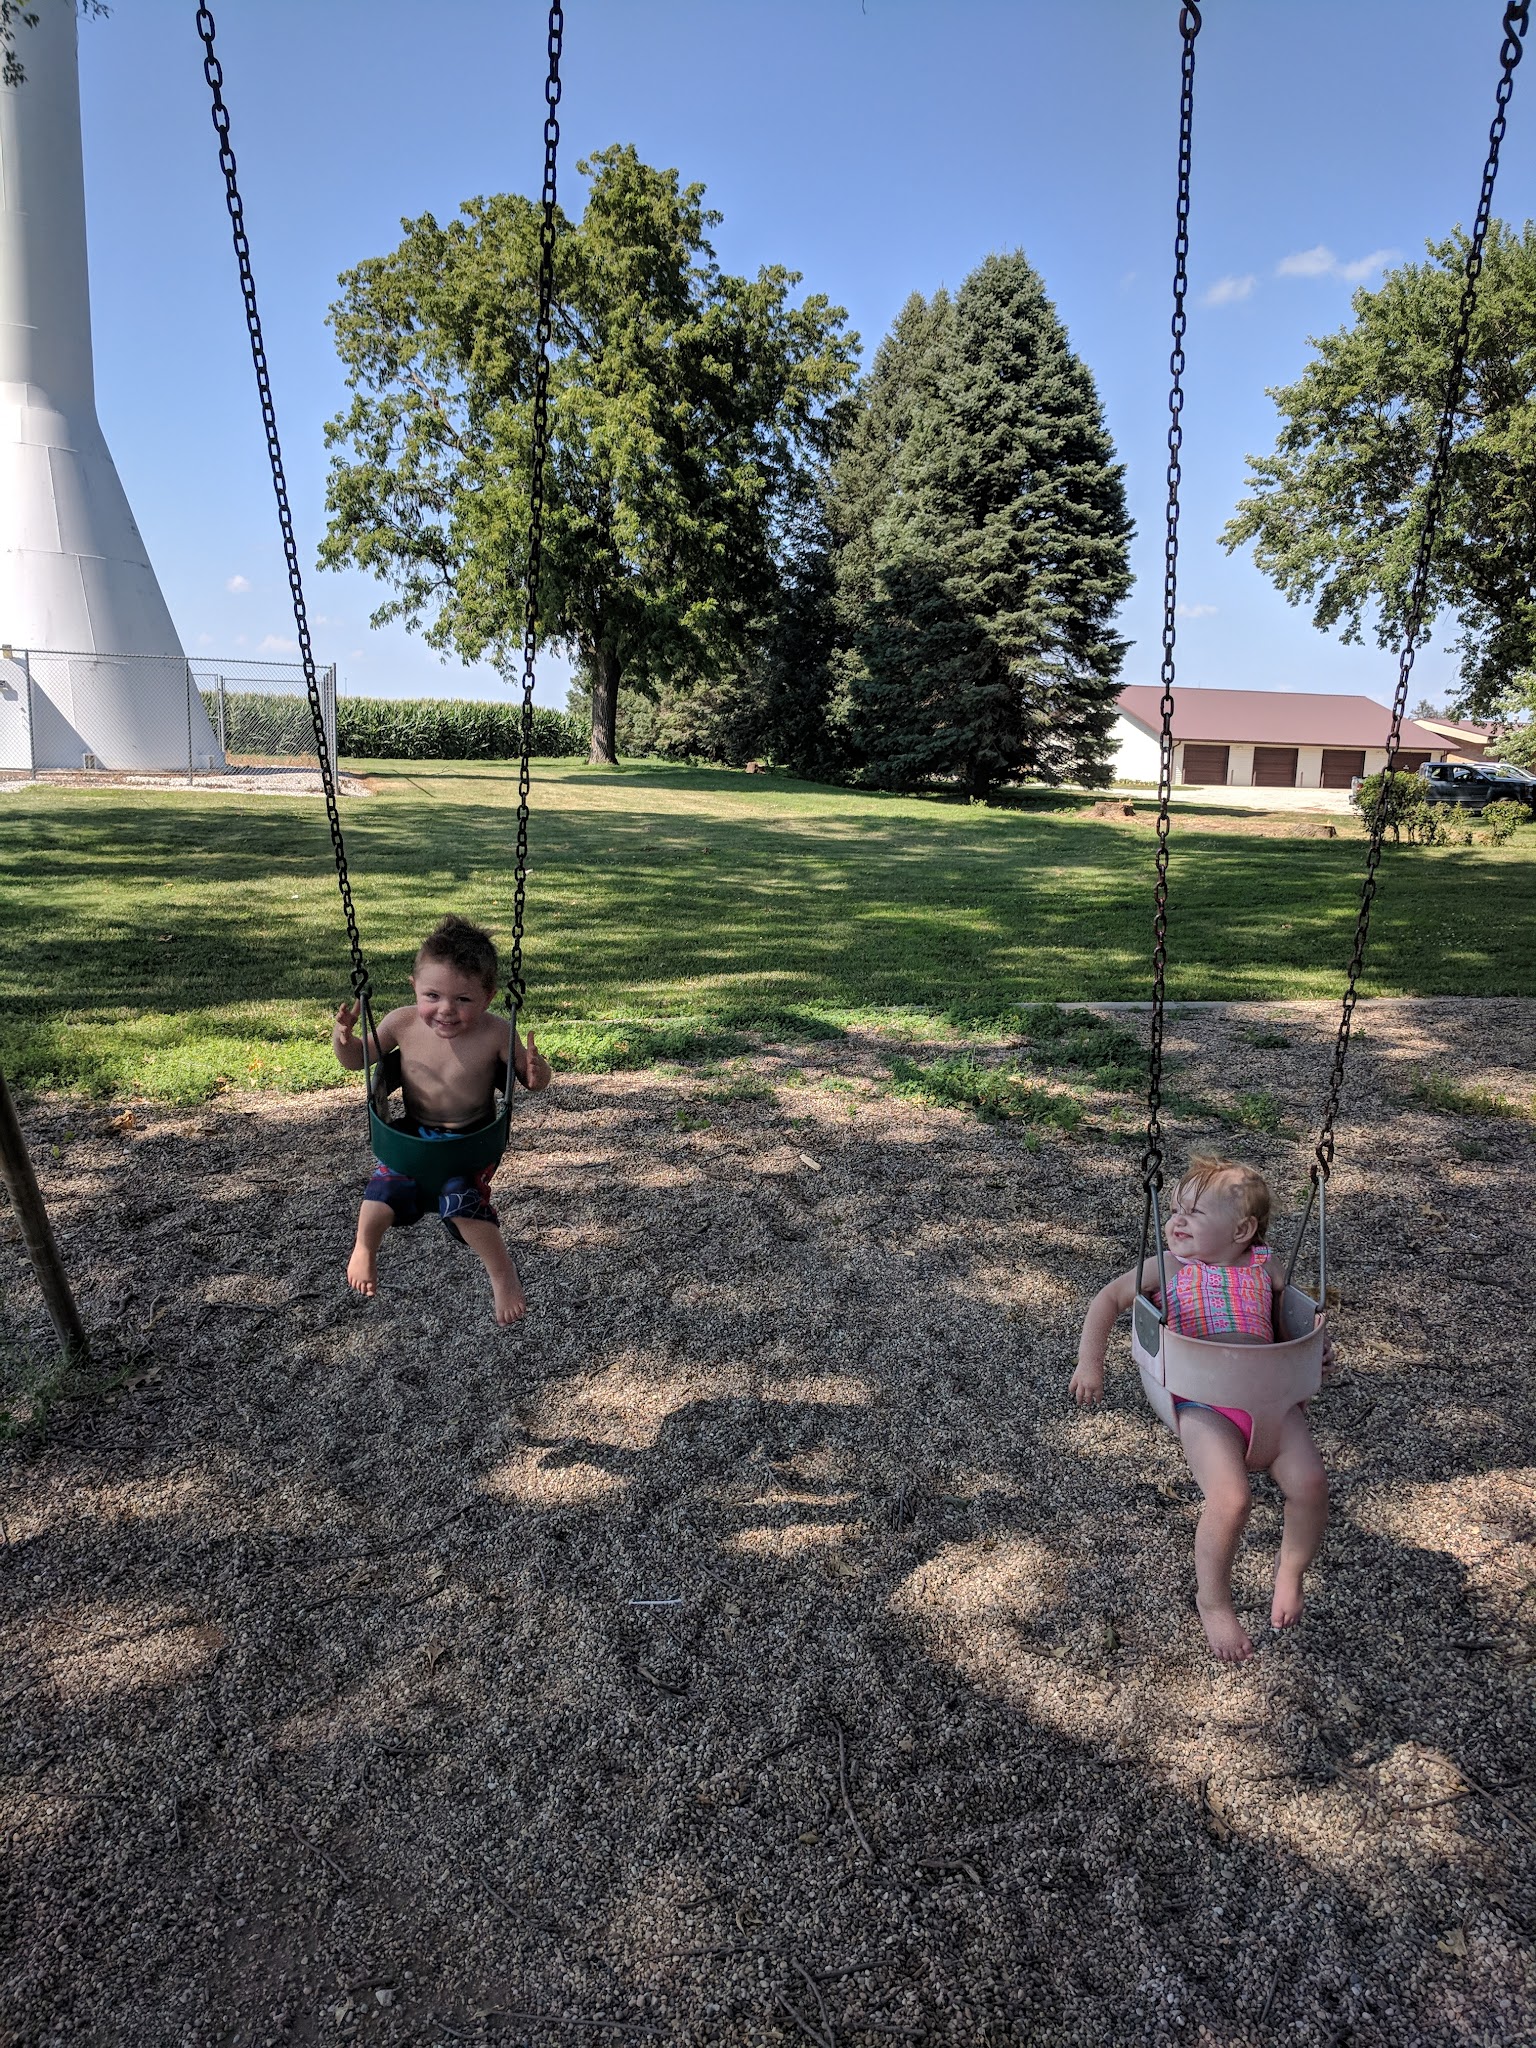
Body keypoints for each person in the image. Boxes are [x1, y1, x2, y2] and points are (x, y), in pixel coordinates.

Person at [1071, 1155, 1330, 1664]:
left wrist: (1316, 1346)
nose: (1177, 1221)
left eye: (1194, 1212)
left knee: (1311, 1486)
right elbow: (1107, 1300)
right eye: (1174, 1210)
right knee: (1231, 1499)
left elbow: (1295, 1317)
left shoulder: (1267, 1266)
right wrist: (1090, 1364)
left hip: (1272, 1396)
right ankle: (1213, 1601)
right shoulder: (1168, 1267)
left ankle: (1290, 1572)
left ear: (1243, 1230)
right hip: (1202, 1400)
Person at [332, 915, 552, 1325]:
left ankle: (502, 1277)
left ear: (487, 997)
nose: (446, 1010)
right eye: (432, 995)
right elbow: (355, 1060)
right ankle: (364, 1248)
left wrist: (539, 1072)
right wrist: (343, 1038)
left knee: (464, 1205)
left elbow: (530, 1079)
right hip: (411, 1139)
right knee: (378, 1194)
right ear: (414, 987)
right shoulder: (401, 1023)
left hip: (470, 1148)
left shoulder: (496, 1033)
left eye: (464, 1000)